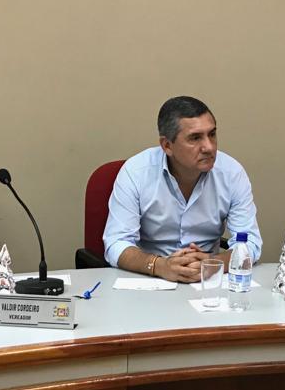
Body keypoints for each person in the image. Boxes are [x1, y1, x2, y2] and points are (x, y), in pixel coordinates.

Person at [103, 96, 262, 283]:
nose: (209, 147)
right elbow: (116, 243)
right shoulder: (136, 172)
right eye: (195, 138)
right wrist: (159, 266)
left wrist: (212, 263)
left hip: (206, 282)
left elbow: (250, 243)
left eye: (212, 134)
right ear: (167, 145)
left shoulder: (231, 173)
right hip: (151, 280)